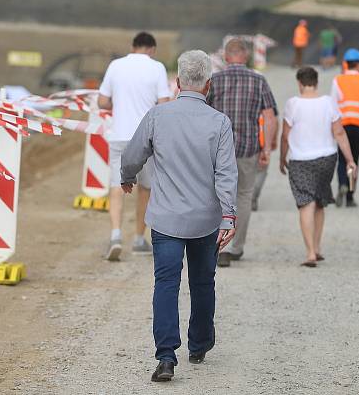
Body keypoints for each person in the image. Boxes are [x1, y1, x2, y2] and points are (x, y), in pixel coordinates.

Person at [120, 50, 237, 383]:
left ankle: (166, 356)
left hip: (167, 219)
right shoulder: (219, 122)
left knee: (166, 284)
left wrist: (127, 176)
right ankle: (199, 344)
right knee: (202, 282)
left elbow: (132, 154)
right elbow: (226, 173)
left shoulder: (158, 116)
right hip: (205, 220)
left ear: (177, 81)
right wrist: (228, 216)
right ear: (208, 85)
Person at [98, 32, 172, 261]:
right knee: (146, 189)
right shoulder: (157, 68)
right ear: (152, 49)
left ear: (133, 46)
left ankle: (115, 236)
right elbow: (164, 103)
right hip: (146, 138)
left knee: (116, 187)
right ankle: (139, 239)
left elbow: (102, 101)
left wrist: (116, 103)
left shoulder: (115, 65)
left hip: (120, 135)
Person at [207, 38, 278, 267]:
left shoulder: (214, 81)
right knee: (244, 196)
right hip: (248, 149)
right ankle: (235, 247)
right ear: (246, 56)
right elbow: (269, 116)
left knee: (217, 197)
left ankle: (218, 246)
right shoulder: (259, 81)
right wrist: (267, 147)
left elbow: (202, 114)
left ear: (226, 57)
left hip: (218, 150)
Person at [280, 67, 357, 266]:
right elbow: (339, 133)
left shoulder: (293, 104)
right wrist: (350, 159)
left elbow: (285, 136)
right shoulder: (328, 103)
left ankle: (310, 253)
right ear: (316, 82)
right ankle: (317, 246)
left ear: (299, 82)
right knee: (320, 201)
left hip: (300, 160)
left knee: (306, 203)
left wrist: (282, 158)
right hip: (326, 159)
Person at [331, 48, 359, 208]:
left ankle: (342, 183)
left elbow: (333, 105)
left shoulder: (338, 80)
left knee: (342, 160)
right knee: (354, 161)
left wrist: (332, 128)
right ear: (357, 64)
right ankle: (350, 196)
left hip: (343, 127)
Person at [251, 108, 279, 211]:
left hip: (244, 142)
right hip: (262, 143)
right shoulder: (264, 95)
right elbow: (273, 119)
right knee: (261, 171)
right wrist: (274, 139)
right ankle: (252, 197)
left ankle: (246, 197)